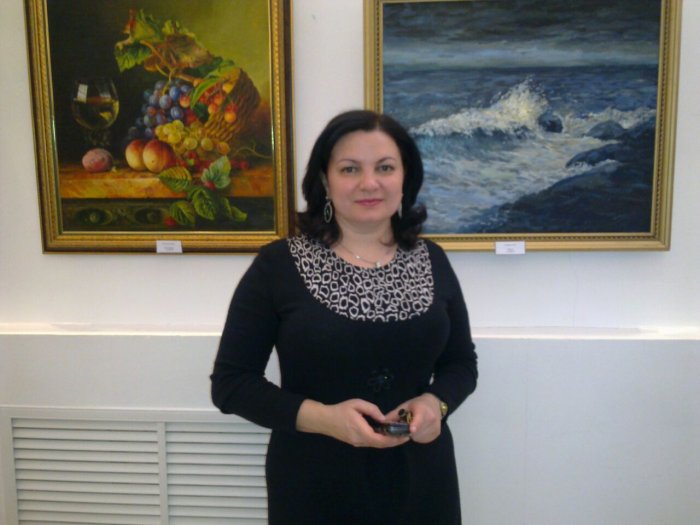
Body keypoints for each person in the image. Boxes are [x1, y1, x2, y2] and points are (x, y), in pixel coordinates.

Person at [211, 109, 478, 525]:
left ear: (405, 176)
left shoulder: (432, 259)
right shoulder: (278, 265)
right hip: (314, 481)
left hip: (422, 480)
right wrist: (326, 419)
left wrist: (436, 403)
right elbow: (231, 384)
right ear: (325, 180)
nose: (369, 183)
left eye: (385, 167)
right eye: (350, 168)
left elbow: (461, 364)